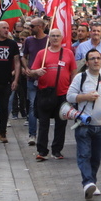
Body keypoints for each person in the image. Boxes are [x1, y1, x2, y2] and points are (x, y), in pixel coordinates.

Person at [66, 48, 101, 200]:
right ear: (87, 62)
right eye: (92, 59)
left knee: (96, 157)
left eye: (98, 58)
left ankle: (92, 183)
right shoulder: (80, 78)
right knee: (84, 154)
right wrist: (86, 96)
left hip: (100, 125)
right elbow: (70, 96)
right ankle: (87, 182)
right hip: (83, 124)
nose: (96, 61)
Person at [29, 28, 77, 161]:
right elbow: (32, 71)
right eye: (53, 36)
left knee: (61, 123)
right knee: (43, 123)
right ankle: (42, 151)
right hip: (45, 93)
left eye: (57, 36)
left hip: (62, 94)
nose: (55, 38)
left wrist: (72, 89)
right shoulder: (41, 54)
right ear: (48, 38)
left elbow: (73, 72)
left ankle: (57, 150)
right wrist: (36, 72)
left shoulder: (68, 53)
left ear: (62, 38)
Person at [22, 18, 48, 146]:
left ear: (40, 27)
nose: (30, 28)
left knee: (44, 107)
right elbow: (24, 56)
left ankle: (44, 135)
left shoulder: (48, 40)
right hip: (32, 78)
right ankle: (32, 134)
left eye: (32, 26)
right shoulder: (28, 41)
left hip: (46, 79)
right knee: (32, 105)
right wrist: (26, 68)